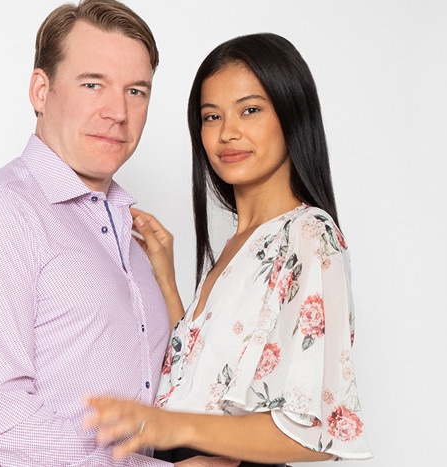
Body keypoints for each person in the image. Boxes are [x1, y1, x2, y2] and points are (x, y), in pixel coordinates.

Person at [0, 1, 236, 466]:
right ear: (41, 90)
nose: (118, 112)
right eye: (93, 84)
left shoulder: (130, 241)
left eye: (136, 91)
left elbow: (165, 397)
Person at [84, 33, 373, 466]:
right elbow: (199, 386)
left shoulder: (309, 235)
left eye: (250, 110)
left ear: (292, 114)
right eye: (211, 116)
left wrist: (169, 427)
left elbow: (313, 432)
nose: (227, 133)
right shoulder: (239, 244)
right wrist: (167, 281)